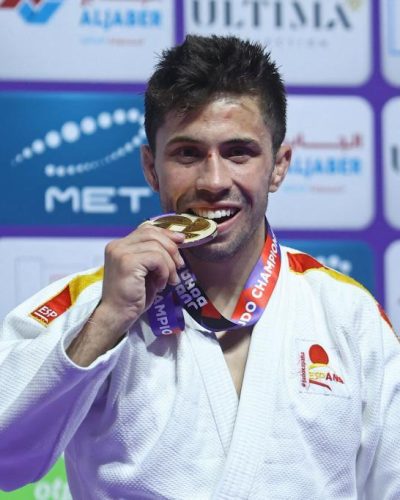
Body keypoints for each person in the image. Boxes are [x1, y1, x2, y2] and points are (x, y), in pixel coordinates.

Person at [0, 35, 399, 499]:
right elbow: (5, 460)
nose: (213, 181)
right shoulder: (92, 305)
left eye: (239, 153)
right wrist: (108, 321)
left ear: (279, 165)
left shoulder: (347, 315)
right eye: (187, 154)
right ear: (151, 167)